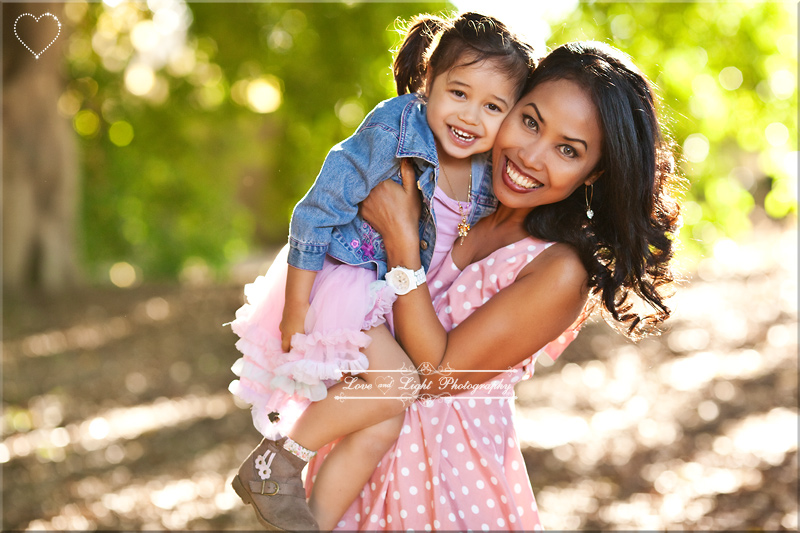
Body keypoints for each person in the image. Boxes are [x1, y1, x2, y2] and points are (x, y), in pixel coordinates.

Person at [304, 40, 683, 530]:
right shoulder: (459, 196)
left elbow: (437, 377)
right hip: (360, 449)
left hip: (445, 483)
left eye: (568, 150)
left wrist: (401, 239)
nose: (530, 156)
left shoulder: (558, 269)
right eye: (529, 121)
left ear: (596, 172)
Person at [228, 12, 536, 531]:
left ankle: (311, 523)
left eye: (492, 106)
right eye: (458, 93)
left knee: (380, 424)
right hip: (342, 281)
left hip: (387, 303)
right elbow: (316, 210)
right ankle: (274, 461)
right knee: (398, 386)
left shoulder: (489, 174)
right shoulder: (394, 129)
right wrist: (297, 307)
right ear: (428, 81)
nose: (471, 116)